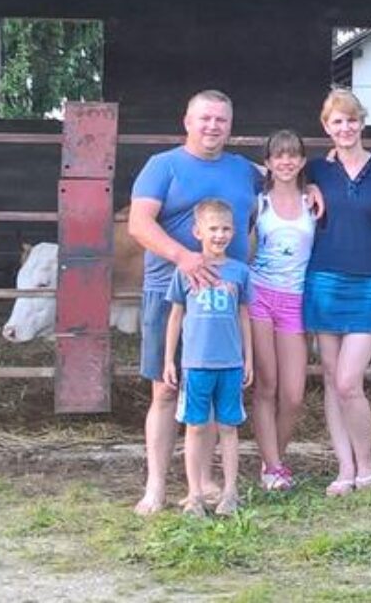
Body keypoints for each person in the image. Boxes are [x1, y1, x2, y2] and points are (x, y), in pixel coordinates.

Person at [127, 89, 263, 516]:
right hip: (172, 292)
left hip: (224, 299)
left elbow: (283, 172)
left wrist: (312, 182)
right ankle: (155, 485)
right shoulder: (162, 166)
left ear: (230, 126)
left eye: (221, 120)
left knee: (214, 387)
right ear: (187, 121)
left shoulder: (243, 170)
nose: (212, 126)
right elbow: (138, 223)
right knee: (167, 389)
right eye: (205, 118)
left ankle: (201, 483)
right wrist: (184, 257)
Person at [303, 89, 371, 496]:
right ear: (326, 127)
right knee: (331, 378)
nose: (345, 128)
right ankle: (345, 467)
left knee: (348, 380)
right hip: (325, 280)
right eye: (337, 122)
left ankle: (366, 464)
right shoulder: (315, 170)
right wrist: (308, 188)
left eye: (351, 120)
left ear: (362, 122)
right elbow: (270, 173)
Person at [162, 198, 254, 517]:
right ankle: (195, 495)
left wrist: (248, 359)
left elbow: (244, 317)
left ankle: (230, 492)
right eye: (213, 229)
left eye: (226, 229)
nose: (219, 235)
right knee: (196, 427)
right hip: (196, 363)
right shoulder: (186, 271)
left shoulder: (239, 272)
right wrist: (169, 360)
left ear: (234, 231)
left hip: (230, 363)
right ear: (197, 232)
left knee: (229, 427)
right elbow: (176, 316)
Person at [247, 129, 314, 492]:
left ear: (302, 161)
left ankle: (274, 458)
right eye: (278, 155)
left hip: (295, 300)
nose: (286, 161)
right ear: (268, 162)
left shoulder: (312, 202)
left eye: (292, 155)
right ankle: (273, 467)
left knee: (293, 394)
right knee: (266, 384)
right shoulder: (258, 203)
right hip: (260, 295)